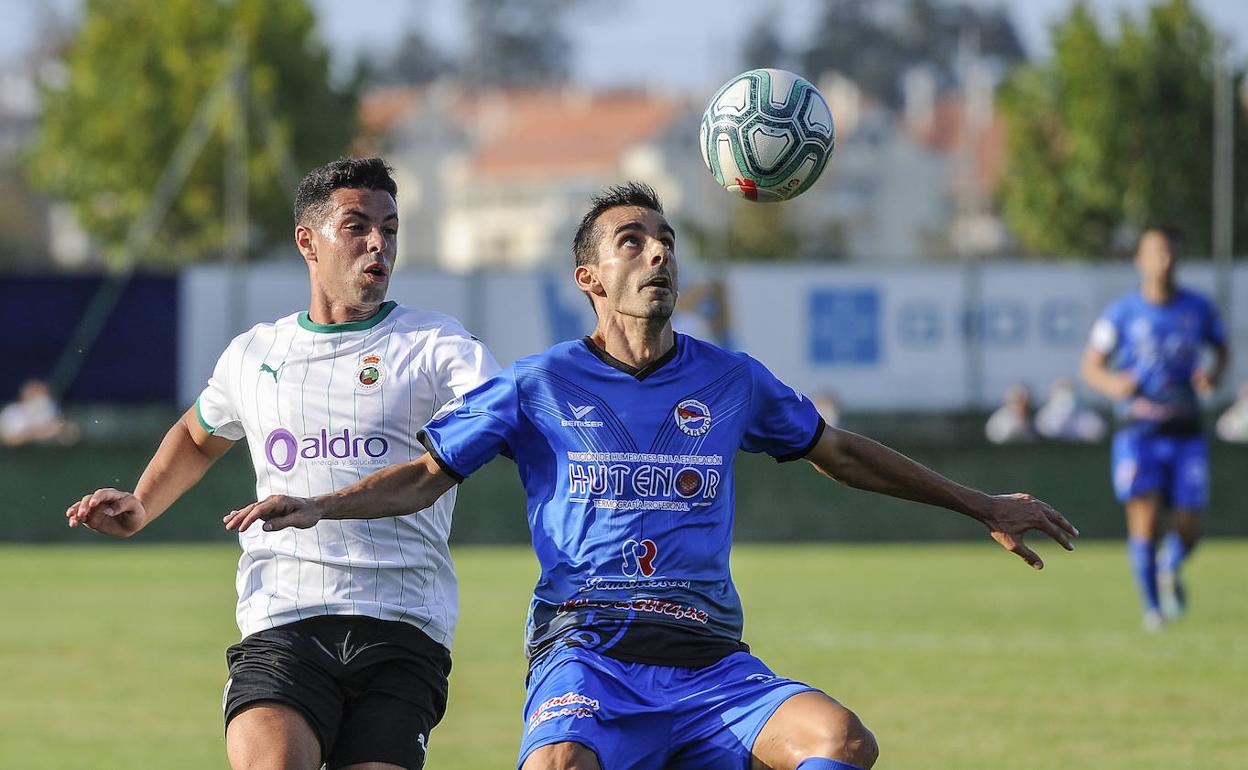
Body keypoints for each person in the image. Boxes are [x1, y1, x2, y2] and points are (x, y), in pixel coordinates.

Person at [225, 182, 1078, 770]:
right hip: (587, 652)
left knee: (843, 742)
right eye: (632, 242)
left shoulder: (732, 380)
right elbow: (423, 475)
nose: (658, 255)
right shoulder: (538, 383)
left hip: (710, 663)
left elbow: (842, 452)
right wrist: (319, 506)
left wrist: (981, 503)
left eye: (667, 241)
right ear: (589, 278)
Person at [65, 157, 499, 770]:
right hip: (283, 622)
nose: (379, 242)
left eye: (391, 228)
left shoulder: (434, 344)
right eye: (357, 226)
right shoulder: (253, 353)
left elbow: (499, 408)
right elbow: (196, 434)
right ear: (307, 242)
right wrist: (142, 505)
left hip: (404, 628)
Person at [1080, 226, 1228, 631]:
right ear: (1139, 261)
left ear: (1178, 258)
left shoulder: (1198, 308)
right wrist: (1114, 384)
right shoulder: (1121, 313)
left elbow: (1222, 349)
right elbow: (1091, 365)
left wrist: (1212, 377)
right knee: (1143, 516)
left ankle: (1170, 565)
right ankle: (1153, 611)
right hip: (1138, 431)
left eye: (1170, 251)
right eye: (1155, 251)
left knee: (1189, 526)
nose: (1162, 259)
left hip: (1185, 430)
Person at [0, 378, 79, 446]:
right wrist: (33, 434)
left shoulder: (51, 409)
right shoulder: (12, 413)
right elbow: (8, 439)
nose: (39, 398)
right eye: (34, 392)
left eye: (41, 392)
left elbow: (68, 431)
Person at [1034, 378, 1107, 443]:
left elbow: (1098, 431)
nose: (1066, 396)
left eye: (1069, 390)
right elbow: (1047, 433)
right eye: (1062, 391)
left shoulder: (1089, 418)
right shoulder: (1043, 417)